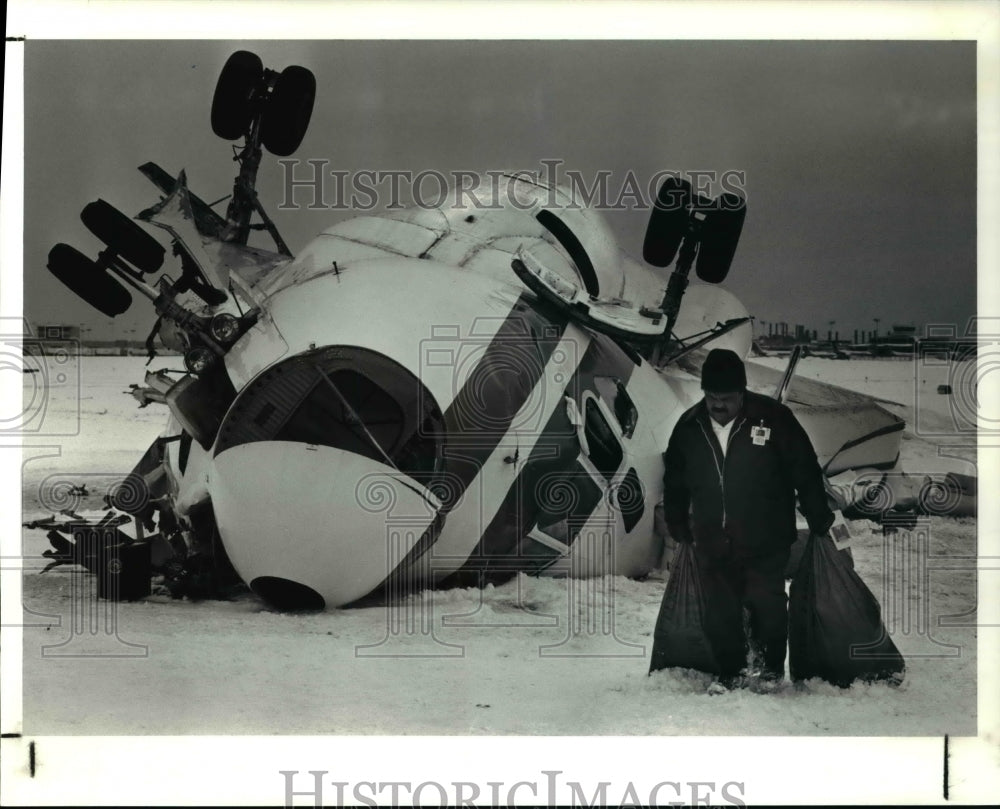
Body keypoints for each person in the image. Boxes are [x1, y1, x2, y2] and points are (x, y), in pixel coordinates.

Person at [662, 348, 834, 692]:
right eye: (711, 396)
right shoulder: (690, 426)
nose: (717, 405)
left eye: (726, 397)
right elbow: (675, 479)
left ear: (742, 392)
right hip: (712, 537)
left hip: (765, 537)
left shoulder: (773, 418)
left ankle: (769, 670)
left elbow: (804, 468)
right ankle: (731, 671)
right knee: (719, 610)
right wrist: (677, 520)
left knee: (767, 603)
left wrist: (818, 514)